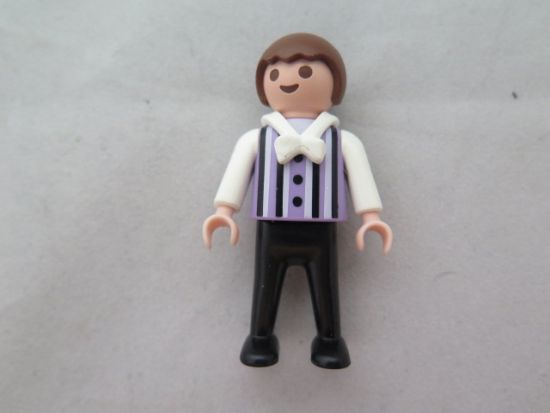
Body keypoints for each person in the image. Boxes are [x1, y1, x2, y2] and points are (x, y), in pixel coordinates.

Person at [202, 33, 392, 369]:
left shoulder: (343, 140)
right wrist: (224, 210)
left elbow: (361, 177)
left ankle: (330, 341)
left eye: (306, 72)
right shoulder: (256, 138)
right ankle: (260, 339)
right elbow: (237, 173)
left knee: (326, 288)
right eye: (275, 73)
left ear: (335, 85)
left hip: (321, 231)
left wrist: (371, 216)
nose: (287, 80)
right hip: (271, 228)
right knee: (265, 288)